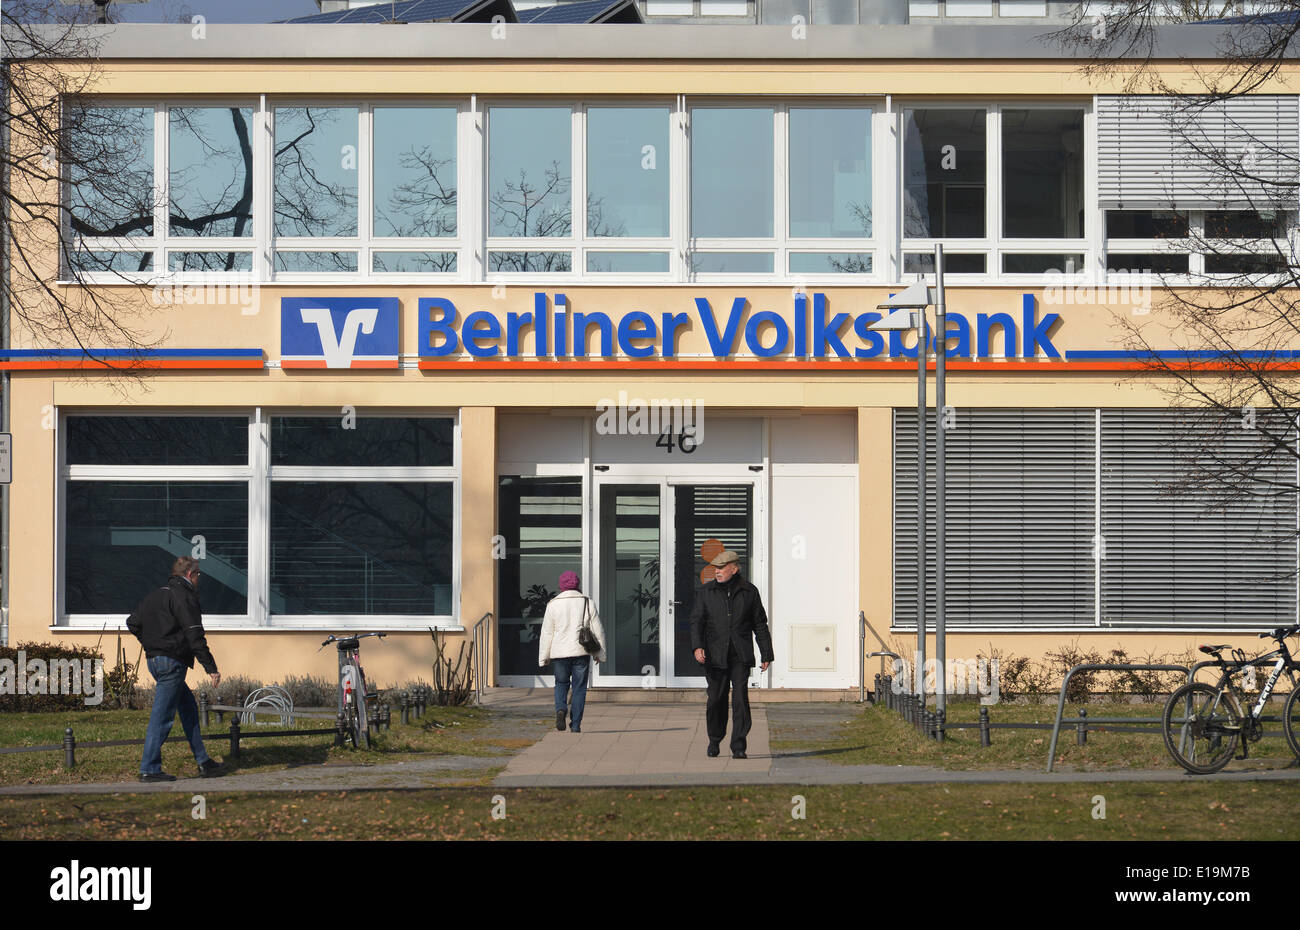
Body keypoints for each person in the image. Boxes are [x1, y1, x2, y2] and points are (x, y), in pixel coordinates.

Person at [126, 556, 224, 781]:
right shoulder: (185, 597)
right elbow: (194, 634)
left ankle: (204, 761)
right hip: (172, 664)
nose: (199, 579)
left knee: (188, 709)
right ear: (190, 574)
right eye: (199, 575)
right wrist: (211, 668)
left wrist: (153, 644)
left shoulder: (155, 595)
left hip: (156, 662)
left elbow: (133, 622)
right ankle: (149, 769)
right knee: (162, 717)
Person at [689, 550, 773, 759]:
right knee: (716, 699)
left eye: (721, 568)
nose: (717, 572)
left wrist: (766, 653)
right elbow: (696, 621)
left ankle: (739, 745)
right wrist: (697, 646)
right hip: (714, 655)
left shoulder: (749, 592)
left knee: (740, 699)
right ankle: (715, 739)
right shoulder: (706, 592)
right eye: (715, 568)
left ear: (734, 569)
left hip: (740, 655)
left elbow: (760, 624)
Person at [538, 570, 605, 733]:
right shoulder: (587, 602)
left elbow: (547, 632)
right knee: (579, 688)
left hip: (559, 653)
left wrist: (544, 657)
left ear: (561, 586)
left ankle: (561, 709)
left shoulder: (553, 604)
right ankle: (575, 725)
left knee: (561, 684)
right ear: (577, 584)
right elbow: (598, 630)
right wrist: (600, 654)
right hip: (581, 652)